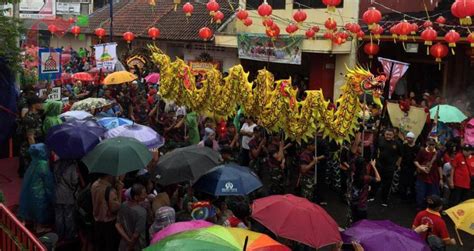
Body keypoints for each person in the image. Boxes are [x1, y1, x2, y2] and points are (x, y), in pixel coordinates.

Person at [18, 143, 55, 233]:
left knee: (34, 209)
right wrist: (52, 195)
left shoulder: (33, 163)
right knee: (40, 210)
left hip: (30, 191)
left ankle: (36, 224)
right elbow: (48, 182)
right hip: (39, 192)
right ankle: (39, 227)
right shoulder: (43, 165)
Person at [91, 174, 123, 251]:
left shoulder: (94, 184)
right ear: (110, 175)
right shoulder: (110, 190)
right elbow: (116, 208)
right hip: (109, 225)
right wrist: (119, 191)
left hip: (97, 222)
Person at [116, 184, 148, 251]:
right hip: (137, 246)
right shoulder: (142, 212)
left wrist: (127, 240)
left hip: (123, 244)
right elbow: (136, 235)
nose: (146, 195)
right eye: (144, 193)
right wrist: (130, 245)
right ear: (136, 197)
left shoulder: (124, 204)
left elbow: (118, 225)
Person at [53, 159, 79, 241]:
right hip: (67, 195)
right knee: (68, 216)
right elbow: (74, 181)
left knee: (58, 216)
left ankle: (59, 234)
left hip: (57, 194)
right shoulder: (72, 166)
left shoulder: (56, 164)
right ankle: (69, 235)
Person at [375, 128, 401, 206]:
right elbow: (376, 150)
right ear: (384, 134)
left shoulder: (397, 143)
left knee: (387, 184)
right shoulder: (380, 139)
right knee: (376, 181)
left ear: (393, 135)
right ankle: (372, 196)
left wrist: (397, 165)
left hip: (390, 167)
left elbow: (400, 156)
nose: (388, 136)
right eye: (387, 134)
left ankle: (384, 200)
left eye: (390, 135)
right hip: (379, 165)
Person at [350, 157, 381, 223]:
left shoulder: (353, 174)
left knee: (354, 222)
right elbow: (378, 179)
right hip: (361, 205)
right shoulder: (366, 178)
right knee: (362, 224)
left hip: (353, 203)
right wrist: (373, 166)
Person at [19, 96, 44, 176]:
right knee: (29, 171)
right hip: (28, 147)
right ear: (33, 105)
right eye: (39, 103)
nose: (41, 104)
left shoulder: (35, 114)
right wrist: (35, 150)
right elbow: (30, 137)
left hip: (34, 143)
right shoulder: (29, 118)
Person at [414, 139, 441, 211]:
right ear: (427, 143)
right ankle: (419, 207)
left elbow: (439, 166)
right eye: (430, 144)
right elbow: (416, 161)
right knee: (421, 192)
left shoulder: (437, 153)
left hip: (433, 177)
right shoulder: (422, 151)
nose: (431, 146)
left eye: (433, 145)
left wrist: (441, 178)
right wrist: (421, 168)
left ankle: (429, 207)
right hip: (422, 176)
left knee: (431, 194)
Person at [399, 132, 419, 200]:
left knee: (412, 184)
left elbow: (418, 159)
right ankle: (402, 197)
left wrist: (417, 169)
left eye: (410, 138)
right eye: (408, 138)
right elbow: (401, 156)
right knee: (403, 182)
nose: (409, 139)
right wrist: (399, 165)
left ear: (413, 139)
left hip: (413, 168)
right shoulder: (404, 146)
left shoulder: (417, 148)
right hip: (404, 167)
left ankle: (411, 198)